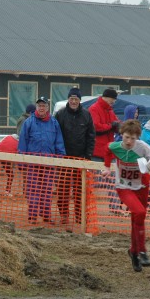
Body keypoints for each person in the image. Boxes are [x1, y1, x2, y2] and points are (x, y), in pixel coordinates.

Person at [101, 120, 150, 272]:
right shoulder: (115, 146)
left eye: (132, 138)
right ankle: (142, 251)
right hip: (124, 187)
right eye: (126, 137)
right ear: (121, 135)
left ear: (137, 138)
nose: (129, 141)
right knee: (139, 212)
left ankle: (133, 252)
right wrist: (107, 168)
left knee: (138, 218)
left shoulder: (143, 147)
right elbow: (107, 149)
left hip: (142, 186)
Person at [18, 96, 66, 224]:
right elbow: (23, 142)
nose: (41, 108)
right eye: (39, 105)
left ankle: (46, 215)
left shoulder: (54, 123)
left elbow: (59, 142)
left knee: (47, 189)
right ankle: (33, 215)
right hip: (33, 162)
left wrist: (60, 158)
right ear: (36, 107)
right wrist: (21, 161)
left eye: (44, 105)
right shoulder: (28, 122)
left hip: (49, 162)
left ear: (48, 107)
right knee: (33, 189)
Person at [55, 87, 95, 226]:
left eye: (76, 99)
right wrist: (58, 155)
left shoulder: (86, 115)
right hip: (64, 158)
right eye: (71, 98)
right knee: (63, 189)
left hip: (81, 158)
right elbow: (56, 135)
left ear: (79, 100)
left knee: (80, 190)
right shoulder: (60, 114)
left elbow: (91, 137)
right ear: (68, 99)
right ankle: (64, 215)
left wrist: (88, 156)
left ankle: (80, 216)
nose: (73, 101)